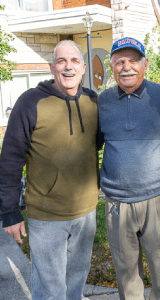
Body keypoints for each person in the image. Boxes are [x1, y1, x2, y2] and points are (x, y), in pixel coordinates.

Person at [0, 40, 102, 300]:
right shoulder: (30, 102)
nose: (68, 67)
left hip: (86, 212)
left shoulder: (93, 101)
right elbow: (11, 159)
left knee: (77, 279)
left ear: (82, 67)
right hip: (46, 216)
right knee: (50, 289)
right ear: (52, 68)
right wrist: (10, 212)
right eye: (61, 61)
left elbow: (99, 144)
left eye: (74, 61)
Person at [98, 37, 160, 300]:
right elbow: (92, 144)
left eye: (133, 60)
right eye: (119, 62)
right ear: (111, 67)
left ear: (145, 64)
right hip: (116, 202)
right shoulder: (102, 102)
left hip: (157, 199)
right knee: (125, 270)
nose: (126, 67)